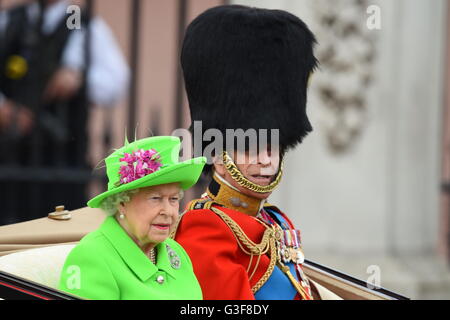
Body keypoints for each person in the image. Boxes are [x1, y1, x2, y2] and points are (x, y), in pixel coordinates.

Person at [174, 5, 341, 300]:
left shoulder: (273, 221)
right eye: (249, 147)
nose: (265, 159)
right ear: (216, 154)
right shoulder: (205, 228)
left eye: (272, 147)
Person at [0, 0, 129, 224]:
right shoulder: (9, 20)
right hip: (9, 159)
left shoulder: (83, 23)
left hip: (64, 160)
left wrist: (80, 79)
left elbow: (116, 82)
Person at [58, 136, 206, 300]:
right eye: (155, 198)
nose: (168, 211)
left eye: (174, 199)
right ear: (122, 202)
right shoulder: (91, 256)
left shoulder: (176, 251)